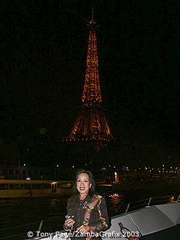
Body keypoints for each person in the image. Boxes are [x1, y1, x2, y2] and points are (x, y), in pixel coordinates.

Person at [64, 169, 110, 239]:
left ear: (90, 185)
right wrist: (67, 225)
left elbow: (105, 223)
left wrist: (89, 228)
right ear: (76, 184)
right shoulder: (71, 200)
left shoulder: (98, 199)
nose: (82, 184)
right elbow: (69, 223)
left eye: (85, 181)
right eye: (79, 181)